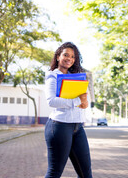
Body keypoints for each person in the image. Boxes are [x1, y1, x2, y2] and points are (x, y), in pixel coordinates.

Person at [44, 42, 92, 178]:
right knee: (55, 172)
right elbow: (51, 101)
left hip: (78, 127)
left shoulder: (76, 77)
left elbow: (84, 100)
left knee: (86, 174)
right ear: (58, 56)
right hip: (59, 127)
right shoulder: (52, 76)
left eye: (72, 56)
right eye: (65, 55)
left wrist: (84, 102)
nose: (69, 59)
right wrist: (78, 101)